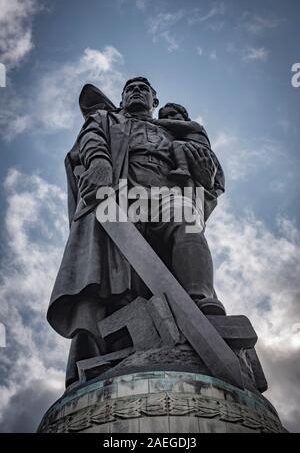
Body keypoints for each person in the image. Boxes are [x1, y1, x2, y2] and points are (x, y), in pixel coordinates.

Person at [47, 77, 225, 387]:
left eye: (144, 88)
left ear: (155, 101)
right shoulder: (107, 117)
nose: (137, 91)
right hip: (119, 191)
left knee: (188, 223)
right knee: (118, 274)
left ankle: (198, 304)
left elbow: (210, 175)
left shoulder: (175, 130)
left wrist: (206, 173)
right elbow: (91, 139)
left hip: (167, 190)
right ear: (123, 97)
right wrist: (99, 162)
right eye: (131, 88)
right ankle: (122, 344)